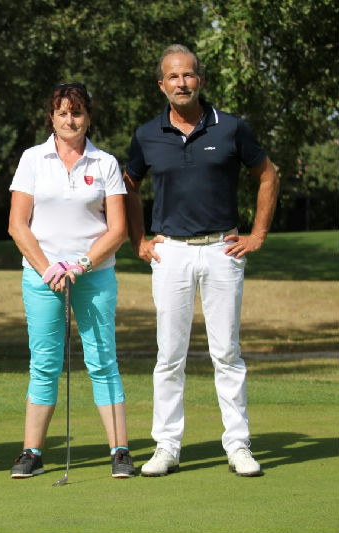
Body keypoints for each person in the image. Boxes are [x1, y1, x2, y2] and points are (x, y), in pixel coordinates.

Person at [123, 44, 279, 477]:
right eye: (173, 77)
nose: (182, 83)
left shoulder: (231, 128)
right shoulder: (147, 134)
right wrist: (138, 240)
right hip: (170, 251)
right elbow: (129, 185)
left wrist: (258, 235)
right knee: (169, 355)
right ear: (161, 85)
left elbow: (268, 175)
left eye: (188, 75)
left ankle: (238, 445)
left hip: (221, 250)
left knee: (226, 353)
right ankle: (166, 446)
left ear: (201, 80)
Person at [7, 83, 134, 479]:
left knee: (102, 360)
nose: (70, 120)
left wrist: (80, 264)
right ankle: (31, 452)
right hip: (42, 277)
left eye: (77, 112)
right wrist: (48, 268)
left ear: (88, 117)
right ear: (52, 118)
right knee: (44, 363)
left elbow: (118, 229)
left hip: (93, 275)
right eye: (62, 112)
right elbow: (17, 224)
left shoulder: (105, 163)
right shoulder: (33, 159)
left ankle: (119, 450)